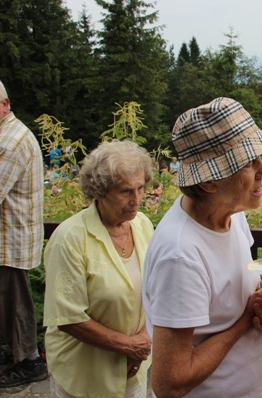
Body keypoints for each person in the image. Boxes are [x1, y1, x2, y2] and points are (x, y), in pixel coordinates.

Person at [143, 97, 262, 397]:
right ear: (209, 183)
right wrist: (245, 320)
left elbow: (231, 292)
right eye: (249, 163)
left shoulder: (232, 214)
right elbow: (169, 383)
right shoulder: (180, 255)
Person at [42, 141, 154, 397]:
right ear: (99, 191)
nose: (136, 200)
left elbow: (154, 288)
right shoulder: (70, 238)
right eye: (125, 191)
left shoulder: (142, 225)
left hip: (133, 367)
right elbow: (68, 317)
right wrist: (127, 345)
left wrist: (143, 342)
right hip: (85, 373)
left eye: (140, 188)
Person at [0, 81, 47, 388]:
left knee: (16, 303)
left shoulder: (10, 141)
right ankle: (15, 355)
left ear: (3, 104)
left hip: (11, 240)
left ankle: (28, 361)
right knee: (9, 302)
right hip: (11, 236)